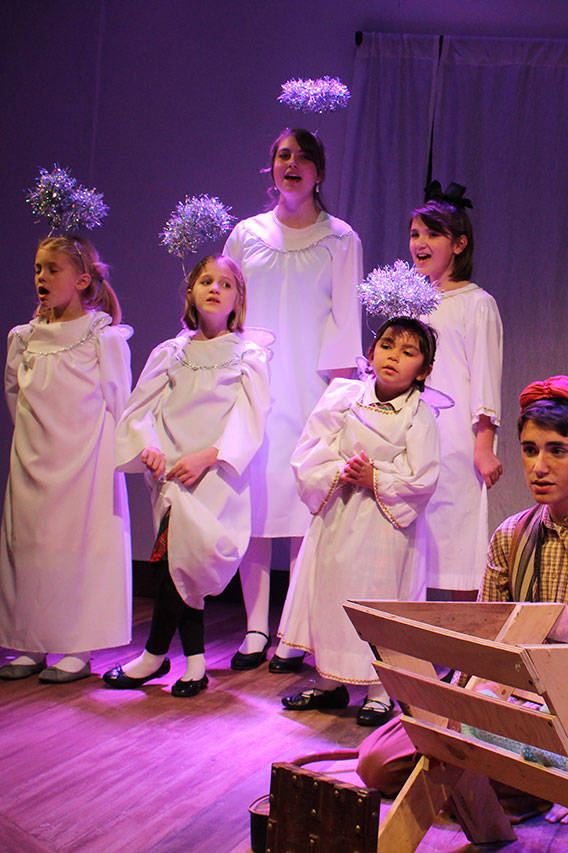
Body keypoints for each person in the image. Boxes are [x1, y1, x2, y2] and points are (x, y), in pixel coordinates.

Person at [357, 374, 568, 796]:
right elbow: (483, 646)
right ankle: (485, 783)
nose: (539, 466)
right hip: (502, 703)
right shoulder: (512, 535)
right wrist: (472, 698)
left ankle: (504, 787)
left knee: (469, 775)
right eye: (529, 450)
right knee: (378, 761)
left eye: (557, 451)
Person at [223, 128, 363, 672]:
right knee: (254, 504)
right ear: (272, 166)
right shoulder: (246, 234)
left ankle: (294, 631)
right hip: (254, 384)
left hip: (311, 387)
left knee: (306, 507)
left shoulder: (340, 239)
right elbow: (227, 306)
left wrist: (338, 398)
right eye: (283, 155)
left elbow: (345, 319)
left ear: (319, 172)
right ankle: (255, 627)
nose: (292, 164)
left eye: (304, 158)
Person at [105, 256, 270, 697]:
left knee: (187, 566)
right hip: (173, 476)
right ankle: (191, 665)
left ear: (238, 299)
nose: (215, 289)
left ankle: (157, 657)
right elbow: (140, 409)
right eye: (206, 281)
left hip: (215, 477)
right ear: (191, 292)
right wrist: (149, 447)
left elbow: (250, 418)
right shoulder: (171, 353)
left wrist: (208, 458)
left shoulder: (248, 355)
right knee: (173, 566)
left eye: (226, 284)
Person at [277, 317, 440, 726]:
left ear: (423, 370)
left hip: (383, 527)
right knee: (331, 596)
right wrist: (340, 469)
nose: (393, 356)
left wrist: (376, 477)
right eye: (387, 345)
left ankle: (379, 691)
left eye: (408, 352)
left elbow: (423, 476)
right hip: (340, 512)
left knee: (378, 603)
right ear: (371, 352)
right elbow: (310, 450)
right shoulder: (342, 397)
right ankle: (329, 681)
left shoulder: (418, 415)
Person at [0, 235, 132, 684]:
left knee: (77, 548)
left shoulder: (101, 337)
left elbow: (120, 401)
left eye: (53, 269)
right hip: (34, 457)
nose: (42, 277)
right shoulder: (24, 338)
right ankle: (30, 640)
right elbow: (15, 397)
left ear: (82, 280)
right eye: (38, 269)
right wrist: (33, 443)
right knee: (30, 547)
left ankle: (77, 646)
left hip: (85, 461)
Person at [409, 182, 504, 600]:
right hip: (410, 434)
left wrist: (484, 445)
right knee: (413, 542)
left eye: (433, 234)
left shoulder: (476, 303)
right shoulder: (408, 301)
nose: (420, 243)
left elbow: (485, 377)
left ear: (459, 244)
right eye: (415, 234)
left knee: (457, 542)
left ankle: (463, 633)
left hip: (454, 440)